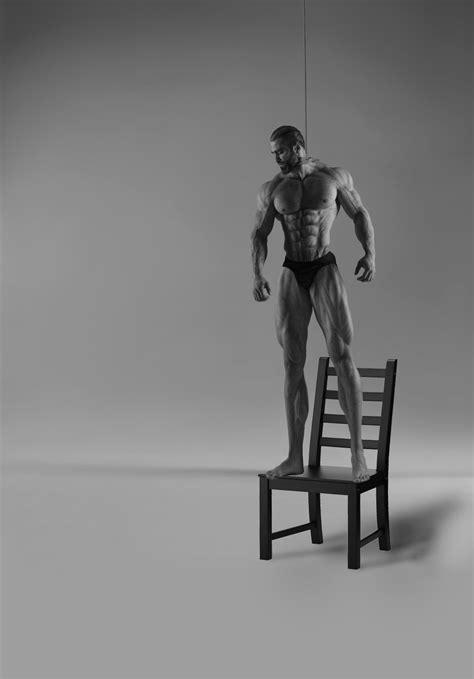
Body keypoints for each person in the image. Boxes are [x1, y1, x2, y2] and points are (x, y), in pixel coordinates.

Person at [251, 125, 376, 482]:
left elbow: (359, 213)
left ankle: (357, 454)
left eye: (280, 151)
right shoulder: (272, 188)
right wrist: (256, 274)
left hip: (323, 267)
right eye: (273, 153)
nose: (276, 158)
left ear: (297, 146)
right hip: (292, 270)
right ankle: (294, 456)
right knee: (292, 364)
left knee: (342, 355)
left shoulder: (333, 178)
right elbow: (260, 233)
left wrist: (370, 254)